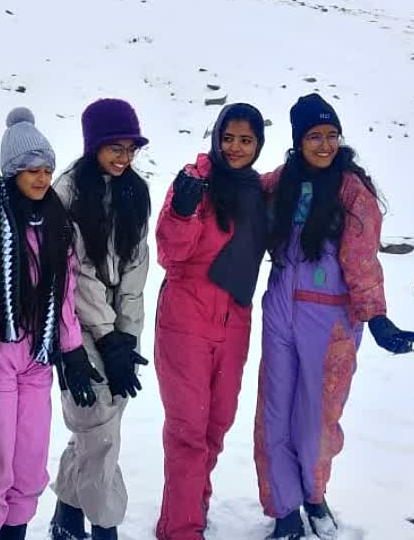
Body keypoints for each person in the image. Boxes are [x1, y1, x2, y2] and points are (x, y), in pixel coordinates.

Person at [254, 94, 414, 540]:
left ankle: (314, 494)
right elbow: (241, 186)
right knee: (274, 412)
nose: (324, 145)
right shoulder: (279, 183)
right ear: (298, 141)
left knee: (317, 418)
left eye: (331, 135)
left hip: (329, 321)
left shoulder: (352, 192)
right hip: (280, 311)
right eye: (314, 136)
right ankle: (285, 508)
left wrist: (377, 316)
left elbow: (363, 260)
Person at [0, 108, 103, 540]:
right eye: (30, 170)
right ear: (11, 172)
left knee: (29, 459)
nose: (41, 178)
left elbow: (65, 299)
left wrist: (72, 352)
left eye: (47, 169)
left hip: (38, 357)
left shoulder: (58, 223)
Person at [154, 103, 270, 540]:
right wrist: (182, 213)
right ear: (216, 138)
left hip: (236, 320)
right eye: (228, 138)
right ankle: (180, 528)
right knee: (188, 431)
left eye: (246, 140)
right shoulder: (195, 181)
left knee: (217, 425)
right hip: (186, 318)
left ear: (258, 144)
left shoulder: (258, 190)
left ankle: (192, 507)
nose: (236, 148)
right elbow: (170, 253)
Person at [50, 99, 153, 540]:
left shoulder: (136, 191)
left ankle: (67, 511)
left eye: (130, 148)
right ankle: (104, 523)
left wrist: (126, 338)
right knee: (97, 422)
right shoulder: (69, 192)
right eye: (115, 147)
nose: (123, 158)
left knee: (104, 420)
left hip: (117, 322)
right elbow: (78, 271)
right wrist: (107, 336)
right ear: (94, 144)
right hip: (75, 320)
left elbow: (136, 267)